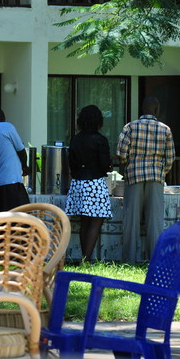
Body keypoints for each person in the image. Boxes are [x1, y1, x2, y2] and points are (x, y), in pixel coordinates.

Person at [117, 96, 175, 263]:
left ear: (142, 109)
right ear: (156, 110)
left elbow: (121, 153)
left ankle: (129, 260)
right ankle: (154, 259)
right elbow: (170, 157)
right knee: (154, 222)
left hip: (134, 177)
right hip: (155, 177)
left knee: (131, 221)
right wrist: (161, 172)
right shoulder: (165, 129)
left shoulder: (130, 127)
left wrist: (128, 166)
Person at [65, 105, 113, 262]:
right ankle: (86, 259)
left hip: (78, 183)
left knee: (84, 223)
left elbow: (71, 163)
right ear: (99, 121)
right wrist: (108, 166)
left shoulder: (75, 139)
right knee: (96, 222)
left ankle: (84, 258)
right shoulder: (100, 140)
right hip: (95, 183)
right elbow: (104, 165)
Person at [0, 108, 29, 212]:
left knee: (0, 220)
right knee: (23, 217)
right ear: (3, 119)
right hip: (11, 182)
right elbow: (21, 150)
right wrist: (25, 166)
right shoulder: (7, 127)